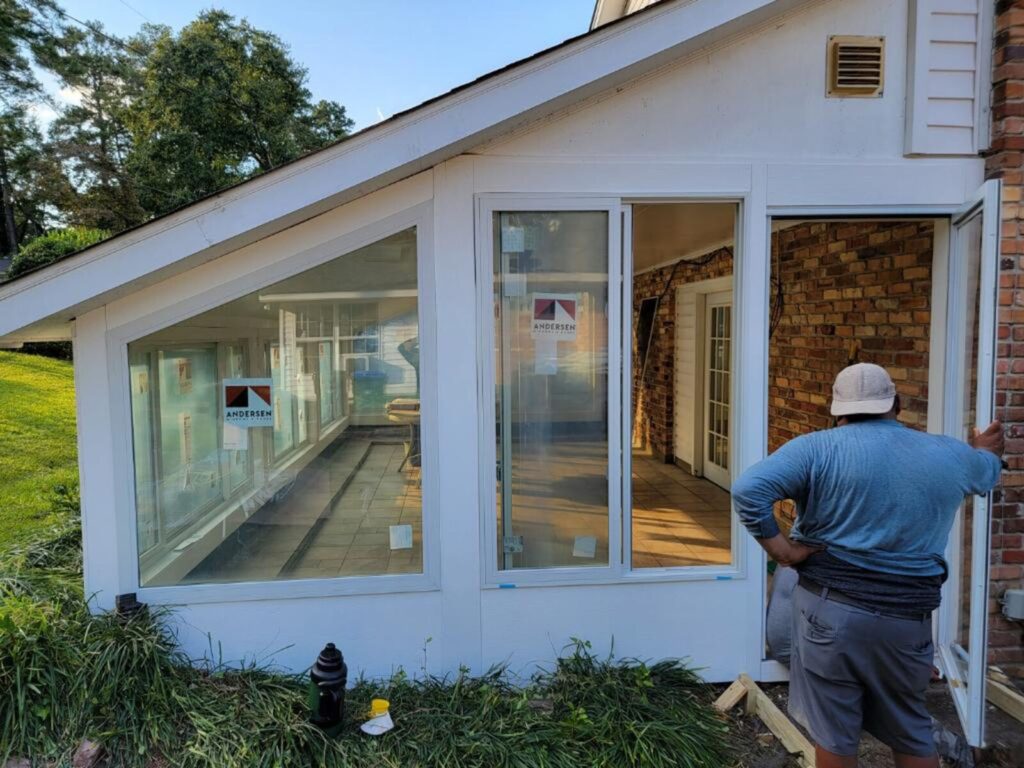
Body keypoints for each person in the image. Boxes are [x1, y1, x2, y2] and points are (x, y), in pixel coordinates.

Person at [732, 363, 1004, 768]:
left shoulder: (817, 448)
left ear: (836, 410)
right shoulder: (949, 454)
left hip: (830, 613)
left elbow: (748, 490)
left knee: (835, 734)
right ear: (897, 405)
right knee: (911, 729)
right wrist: (984, 450)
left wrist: (784, 553)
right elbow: (988, 473)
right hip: (906, 618)